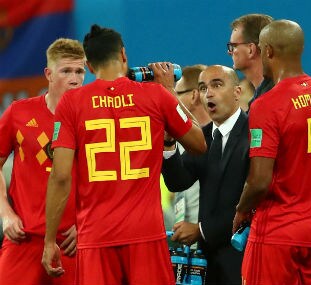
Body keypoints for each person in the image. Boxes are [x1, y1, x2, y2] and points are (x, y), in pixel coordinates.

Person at [41, 24, 206, 285]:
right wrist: (170, 92)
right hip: (146, 235)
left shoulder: (71, 103)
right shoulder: (155, 95)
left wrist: (50, 241)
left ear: (90, 67)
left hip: (96, 237)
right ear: (124, 55)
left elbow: (60, 177)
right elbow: (199, 143)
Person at [233, 20, 311, 285]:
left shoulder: (266, 105)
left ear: (268, 52)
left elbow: (259, 181)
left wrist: (241, 210)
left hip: (277, 233)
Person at [0, 38, 85, 285]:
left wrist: (87, 224)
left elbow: (109, 181)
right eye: (66, 71)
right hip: (23, 240)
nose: (74, 79)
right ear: (48, 74)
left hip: (73, 244)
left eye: (79, 71)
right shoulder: (18, 113)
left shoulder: (94, 122)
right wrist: (5, 213)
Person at [162, 65, 249, 285]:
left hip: (244, 255)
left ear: (237, 92)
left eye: (217, 85)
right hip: (208, 263)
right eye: (203, 88)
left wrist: (201, 230)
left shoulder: (253, 131)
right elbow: (177, 181)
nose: (208, 93)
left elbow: (253, 199)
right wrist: (169, 142)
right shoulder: (204, 137)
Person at [171, 64, 210, 229]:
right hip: (183, 240)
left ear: (194, 95)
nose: (172, 99)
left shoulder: (220, 138)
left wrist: (200, 229)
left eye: (177, 93)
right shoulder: (177, 140)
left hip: (211, 237)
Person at [228, 13, 274, 109]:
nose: (229, 52)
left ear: (250, 50)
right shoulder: (260, 99)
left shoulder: (268, 101)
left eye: (233, 46)